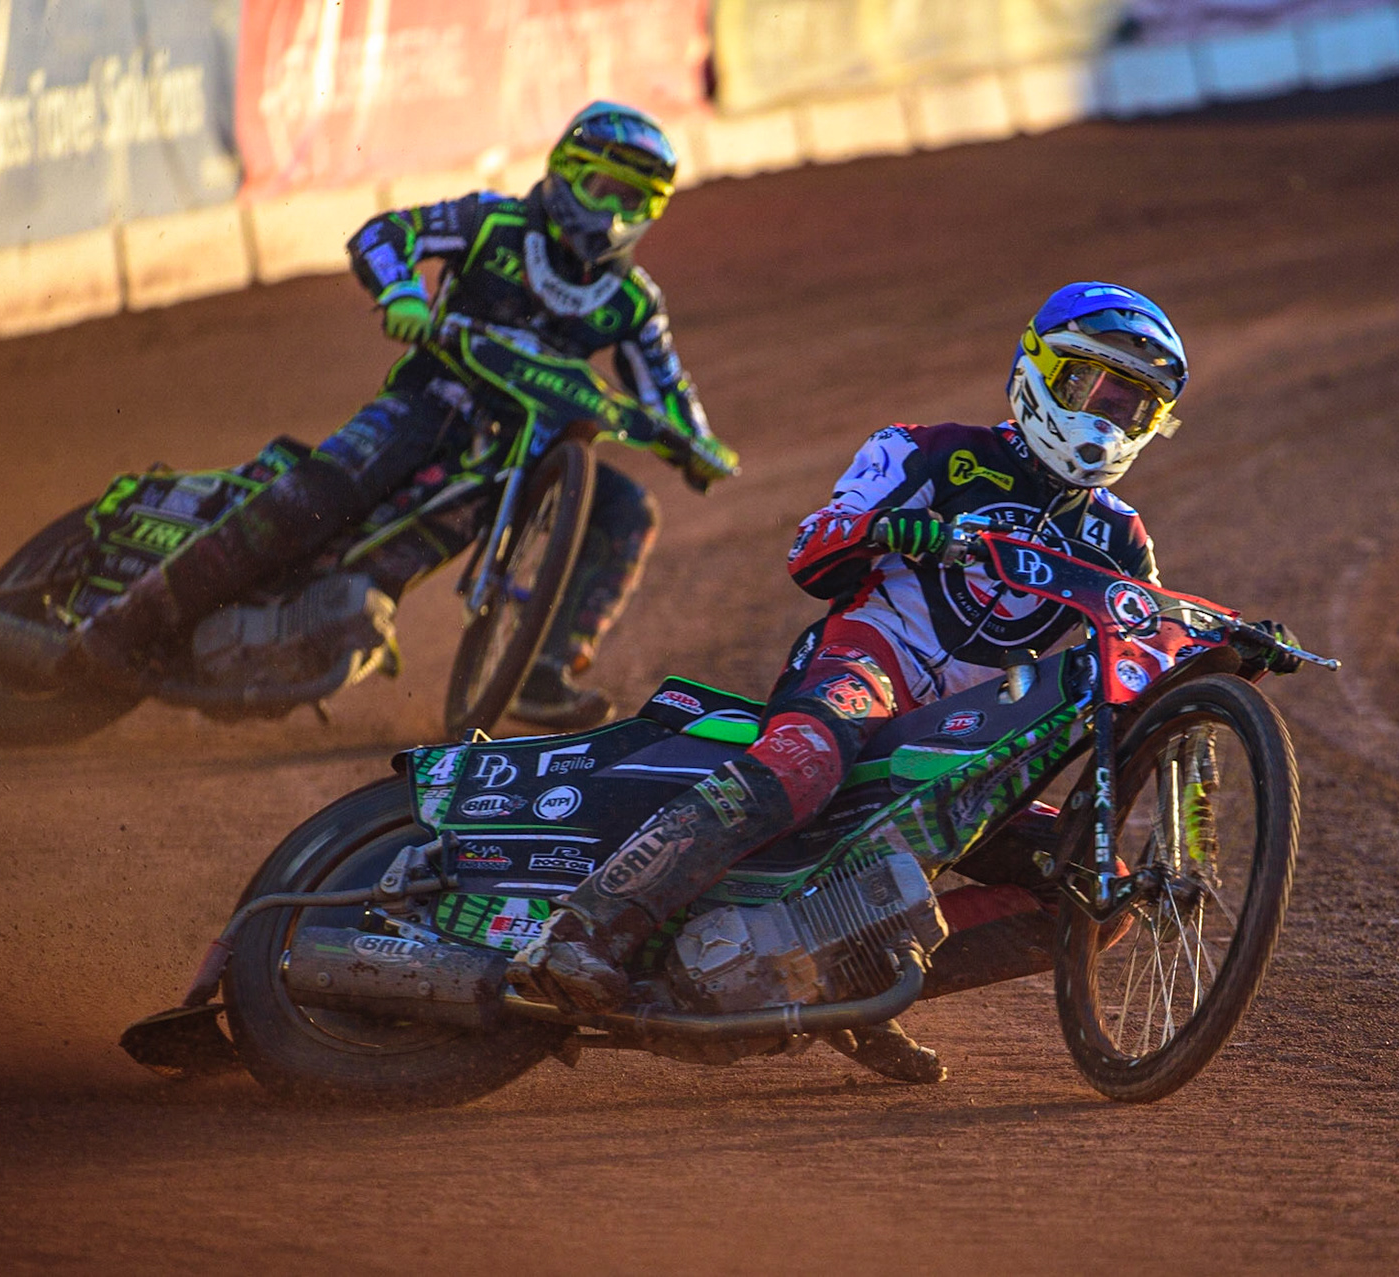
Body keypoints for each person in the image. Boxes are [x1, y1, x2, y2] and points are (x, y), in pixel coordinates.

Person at [510, 282, 1195, 1081]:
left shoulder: (1119, 533)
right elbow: (810, 550)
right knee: (807, 761)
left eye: (1135, 404)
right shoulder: (933, 449)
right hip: (866, 666)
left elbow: (1148, 653)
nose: (1109, 417)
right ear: (1040, 370)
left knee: (1094, 888)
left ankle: (851, 978)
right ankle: (584, 929)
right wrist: (885, 528)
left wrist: (1216, 651)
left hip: (968, 739)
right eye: (1095, 386)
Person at [74, 101, 738, 728]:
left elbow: (666, 388)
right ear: (566, 175)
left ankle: (540, 670)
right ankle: (122, 624)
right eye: (603, 188)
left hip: (517, 458)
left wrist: (698, 443)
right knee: (314, 499)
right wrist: (402, 293)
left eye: (634, 200)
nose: (614, 212)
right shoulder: (493, 223)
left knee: (626, 511)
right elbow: (386, 232)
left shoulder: (632, 301)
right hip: (429, 403)